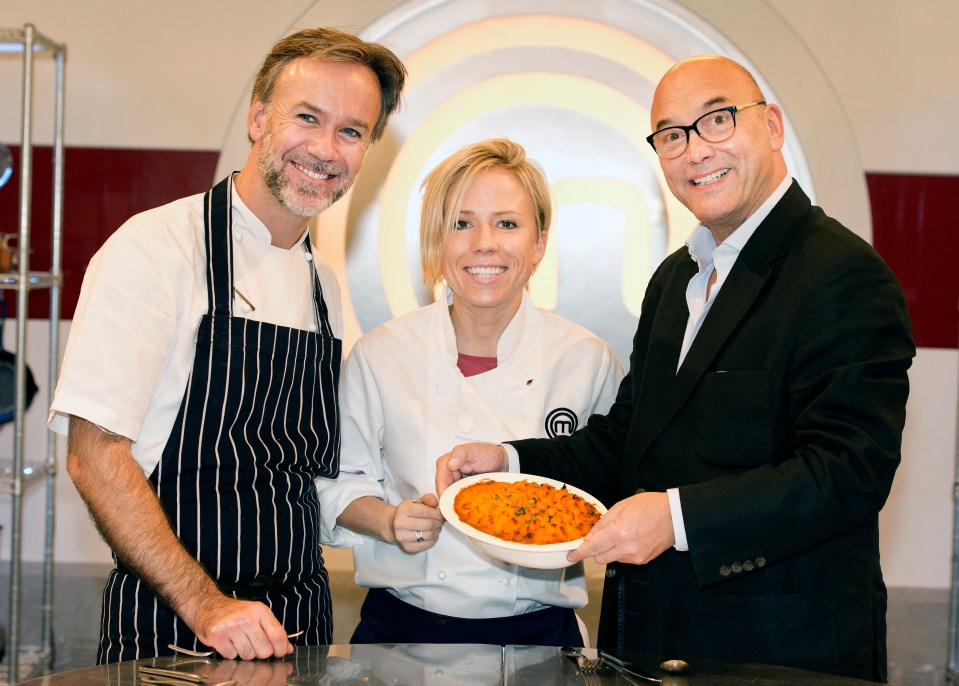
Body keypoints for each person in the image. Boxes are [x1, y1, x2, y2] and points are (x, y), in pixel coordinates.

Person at [436, 55, 915, 682]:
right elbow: (629, 440)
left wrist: (678, 518)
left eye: (717, 120)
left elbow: (850, 470)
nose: (695, 151)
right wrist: (511, 463)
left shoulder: (841, 273)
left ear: (770, 126)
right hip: (653, 642)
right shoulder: (676, 280)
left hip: (779, 653)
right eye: (671, 135)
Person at [48, 28, 406, 663]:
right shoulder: (156, 249)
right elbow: (94, 456)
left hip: (299, 623)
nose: (325, 149)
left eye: (352, 131)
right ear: (258, 116)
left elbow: (302, 469)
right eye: (307, 117)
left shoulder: (325, 282)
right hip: (171, 629)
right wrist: (206, 604)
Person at [316, 138, 624, 646]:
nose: (485, 243)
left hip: (540, 637)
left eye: (507, 223)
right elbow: (336, 482)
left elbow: (616, 481)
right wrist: (389, 520)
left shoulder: (586, 360)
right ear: (436, 240)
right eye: (461, 223)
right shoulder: (381, 354)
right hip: (400, 632)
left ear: (540, 243)